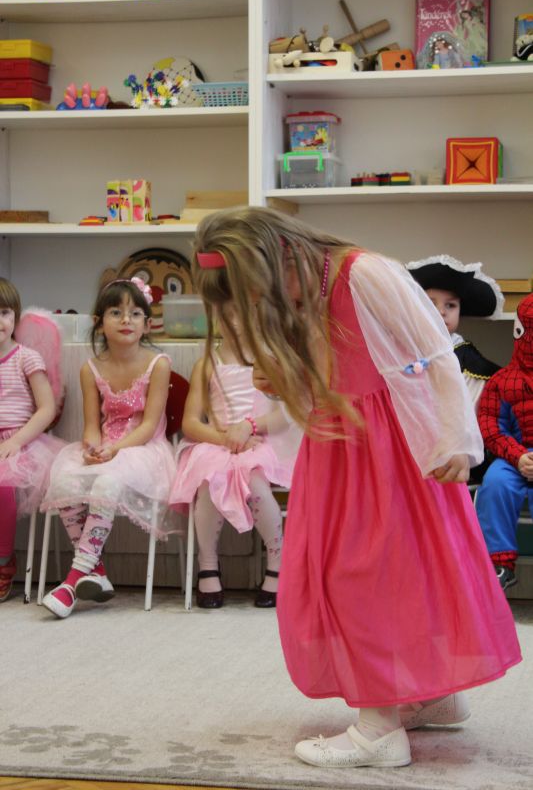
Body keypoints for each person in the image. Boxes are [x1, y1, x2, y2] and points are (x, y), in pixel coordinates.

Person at [188, 206, 521, 769]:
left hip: (389, 453)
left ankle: (378, 731)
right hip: (344, 448)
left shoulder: (364, 274)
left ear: (277, 258)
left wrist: (457, 441)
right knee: (378, 573)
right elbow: (333, 371)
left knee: (366, 578)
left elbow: (436, 353)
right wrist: (285, 375)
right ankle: (428, 695)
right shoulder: (306, 290)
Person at [41, 277, 177, 618]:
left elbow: (148, 426)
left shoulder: (158, 364)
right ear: (99, 322)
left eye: (135, 313)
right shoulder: (91, 369)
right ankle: (96, 571)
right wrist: (92, 446)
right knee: (65, 481)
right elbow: (91, 424)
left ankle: (72, 582)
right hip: (106, 447)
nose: (126, 319)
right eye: (116, 312)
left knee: (107, 482)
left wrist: (116, 450)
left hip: (142, 450)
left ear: (147, 324)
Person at [168, 309, 300, 608]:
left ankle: (277, 562)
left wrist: (249, 428)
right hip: (216, 443)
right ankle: (207, 564)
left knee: (254, 481)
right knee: (209, 480)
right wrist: (225, 438)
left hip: (260, 441)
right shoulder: (206, 364)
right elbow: (191, 422)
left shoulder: (271, 359)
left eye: (242, 310)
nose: (235, 318)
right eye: (227, 311)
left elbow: (284, 414)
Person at [407, 255, 503, 483]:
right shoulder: (403, 354)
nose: (441, 312)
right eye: (430, 304)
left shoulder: (472, 366)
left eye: (450, 305)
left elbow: (467, 417)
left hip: (454, 456)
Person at [0, 278, 64, 602]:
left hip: (19, 439)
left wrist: (15, 442)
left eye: (4, 312)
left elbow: (46, 409)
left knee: (2, 486)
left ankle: (3, 562)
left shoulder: (26, 357)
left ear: (15, 315)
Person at [475, 294, 533, 591]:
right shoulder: (502, 381)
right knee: (495, 484)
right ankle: (498, 562)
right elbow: (490, 426)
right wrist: (518, 456)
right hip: (514, 456)